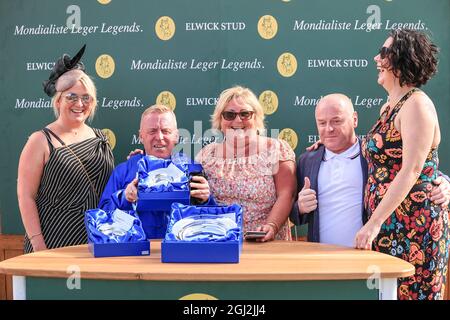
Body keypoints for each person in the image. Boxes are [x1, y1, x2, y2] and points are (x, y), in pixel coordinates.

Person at [355, 29, 449, 300]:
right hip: (388, 224)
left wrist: (373, 224)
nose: (376, 57)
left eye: (383, 53)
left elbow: (412, 170)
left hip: (414, 227)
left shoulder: (416, 105)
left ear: (401, 60)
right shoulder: (389, 106)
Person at [291, 94, 449, 248]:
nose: (329, 128)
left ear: (354, 119)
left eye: (336, 121)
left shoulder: (374, 155)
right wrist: (300, 207)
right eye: (322, 123)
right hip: (321, 260)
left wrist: (443, 183)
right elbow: (293, 216)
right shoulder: (307, 160)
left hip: (369, 256)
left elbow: (414, 168)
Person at [17, 45, 114, 253]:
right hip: (52, 243)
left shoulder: (100, 139)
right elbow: (25, 196)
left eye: (86, 97)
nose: (79, 103)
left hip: (96, 243)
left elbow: (111, 191)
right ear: (59, 100)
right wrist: (38, 245)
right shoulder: (40, 141)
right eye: (72, 96)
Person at [196, 86, 296, 241]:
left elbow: (287, 194)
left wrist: (272, 226)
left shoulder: (276, 149)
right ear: (220, 120)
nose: (237, 120)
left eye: (245, 114)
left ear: (256, 118)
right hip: (220, 242)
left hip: (266, 243)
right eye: (229, 115)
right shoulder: (206, 155)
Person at [98, 104, 215, 238]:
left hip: (180, 251)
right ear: (141, 136)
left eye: (166, 131)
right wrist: (125, 197)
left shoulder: (193, 169)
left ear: (176, 136)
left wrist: (206, 200)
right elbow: (102, 215)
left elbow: (208, 221)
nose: (159, 137)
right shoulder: (123, 171)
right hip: (134, 251)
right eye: (152, 131)